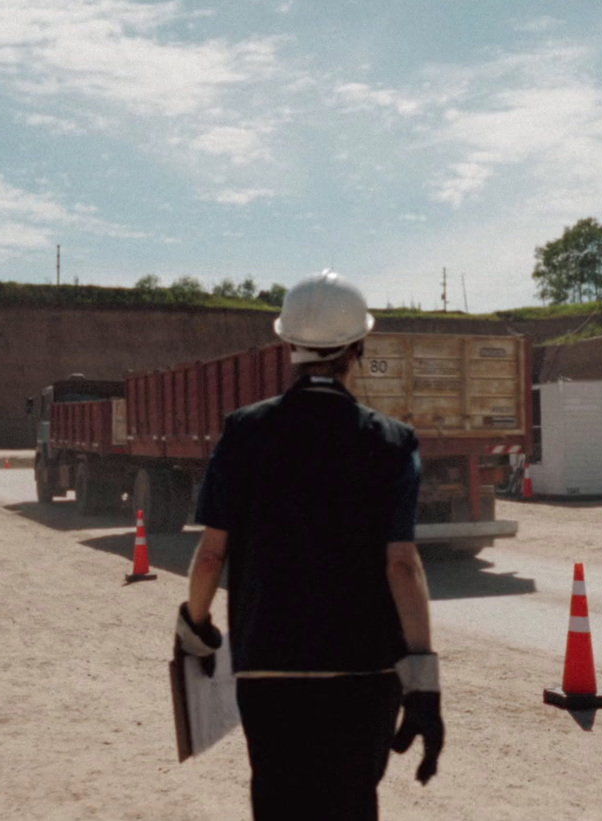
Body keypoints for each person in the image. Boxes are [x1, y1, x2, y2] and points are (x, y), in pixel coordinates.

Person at [176, 269, 444, 821]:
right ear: (357, 349)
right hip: (365, 674)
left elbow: (210, 554)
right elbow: (402, 566)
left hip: (267, 669)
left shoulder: (244, 431)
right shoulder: (393, 443)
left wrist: (195, 626)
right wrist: (423, 682)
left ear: (290, 345)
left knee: (277, 805)